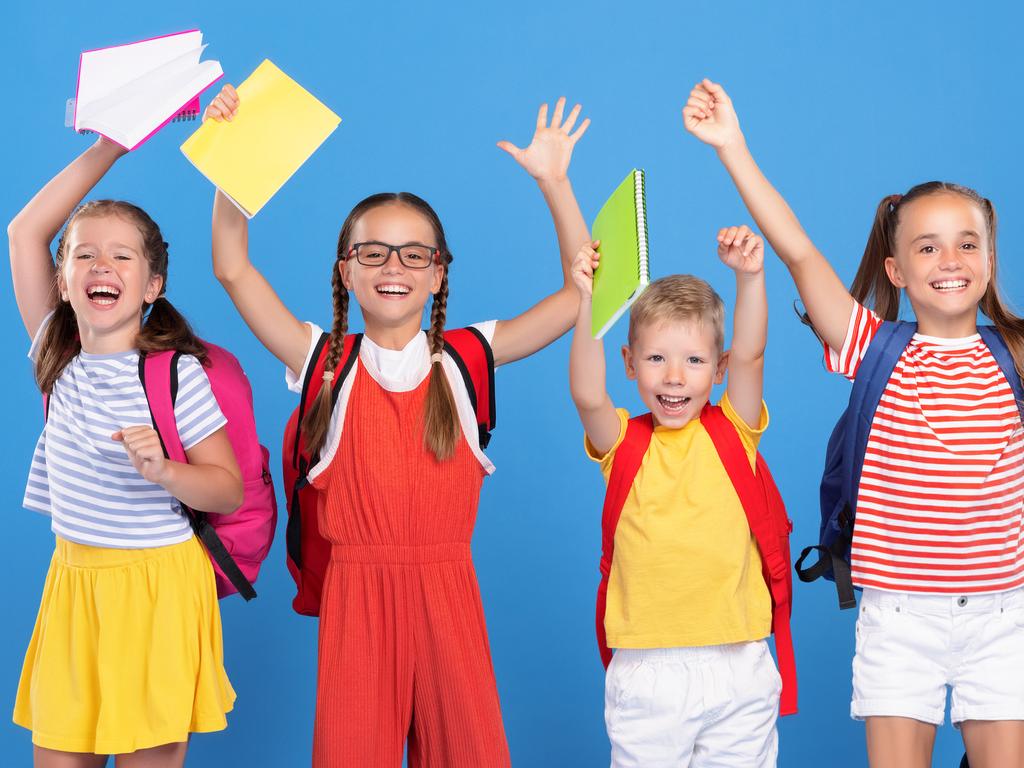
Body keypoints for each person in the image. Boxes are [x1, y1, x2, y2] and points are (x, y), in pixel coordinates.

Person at [205, 84, 592, 766]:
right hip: (358, 599)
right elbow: (233, 269)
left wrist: (556, 185)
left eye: (415, 254)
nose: (394, 267)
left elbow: (577, 291)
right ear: (345, 271)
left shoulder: (467, 358)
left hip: (450, 592)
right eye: (374, 252)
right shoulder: (323, 360)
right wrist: (236, 160)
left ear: (439, 274)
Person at [685, 77, 1024, 768]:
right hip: (898, 618)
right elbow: (800, 252)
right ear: (897, 269)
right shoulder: (874, 347)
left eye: (967, 244)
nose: (950, 261)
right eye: (928, 248)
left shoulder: (1016, 355)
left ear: (990, 262)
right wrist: (733, 148)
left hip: (1005, 616)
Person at [9, 134, 242, 768]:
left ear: (151, 285)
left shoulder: (175, 376)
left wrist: (164, 470)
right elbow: (25, 231)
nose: (100, 267)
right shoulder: (55, 355)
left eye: (121, 256)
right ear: (61, 282)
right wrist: (113, 144)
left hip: (158, 593)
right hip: (75, 584)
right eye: (83, 256)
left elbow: (227, 489)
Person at [569, 225, 782, 767]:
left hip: (740, 659)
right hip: (648, 669)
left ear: (719, 368)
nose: (674, 377)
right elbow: (587, 393)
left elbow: (753, 354)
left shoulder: (735, 430)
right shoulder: (622, 443)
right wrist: (589, 302)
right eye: (657, 358)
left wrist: (750, 277)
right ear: (629, 363)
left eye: (693, 361)